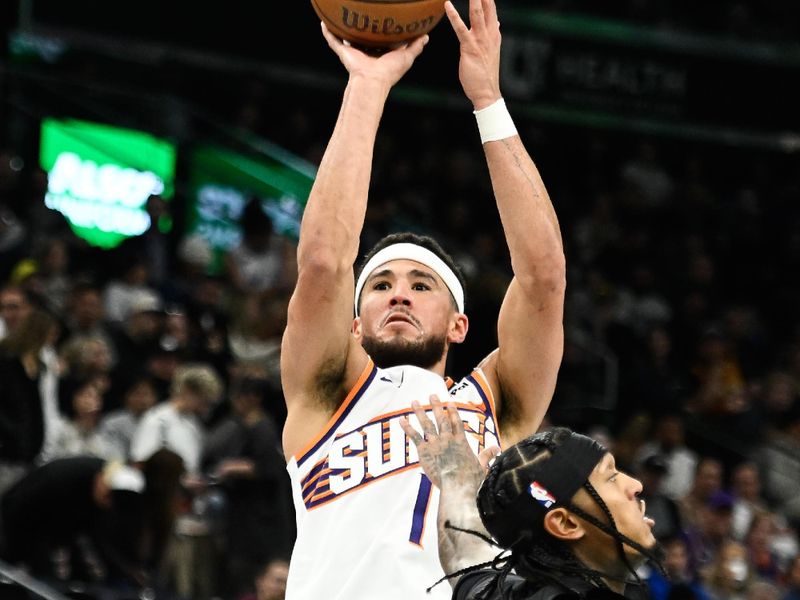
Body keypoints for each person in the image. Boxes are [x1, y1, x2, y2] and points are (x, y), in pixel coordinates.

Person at [279, 0, 566, 596]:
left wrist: (488, 100)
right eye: (380, 286)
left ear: (460, 324)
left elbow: (543, 278)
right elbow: (325, 262)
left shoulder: (498, 405)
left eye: (420, 285)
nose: (398, 296)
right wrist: (366, 84)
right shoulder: (326, 392)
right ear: (354, 325)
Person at [400, 395, 664, 599]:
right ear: (565, 523)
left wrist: (456, 480)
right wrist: (457, 480)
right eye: (611, 478)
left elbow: (466, 557)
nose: (635, 484)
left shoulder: (503, 592)